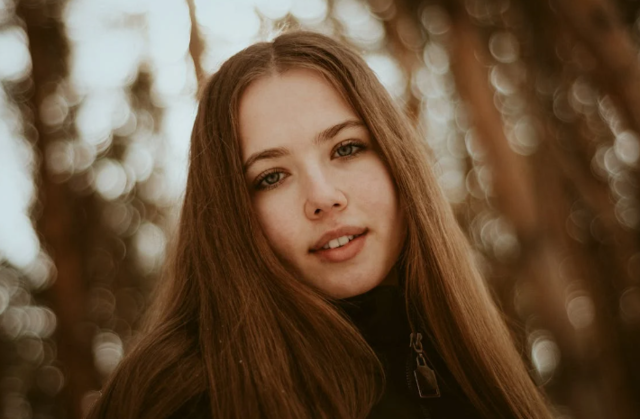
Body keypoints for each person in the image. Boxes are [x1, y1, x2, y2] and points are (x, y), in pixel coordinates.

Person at [87, 31, 552, 419]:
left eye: (346, 149)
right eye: (271, 177)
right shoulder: (180, 397)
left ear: (398, 160)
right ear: (229, 215)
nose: (323, 197)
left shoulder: (472, 357)